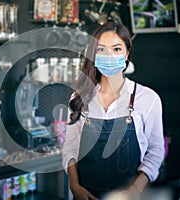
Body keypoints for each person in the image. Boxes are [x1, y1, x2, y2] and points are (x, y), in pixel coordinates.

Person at [62, 21, 165, 200]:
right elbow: (70, 146)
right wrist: (74, 185)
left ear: (127, 54)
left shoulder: (148, 98)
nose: (109, 56)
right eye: (101, 50)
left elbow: (156, 151)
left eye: (116, 49)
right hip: (85, 194)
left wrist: (135, 189)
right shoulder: (79, 97)